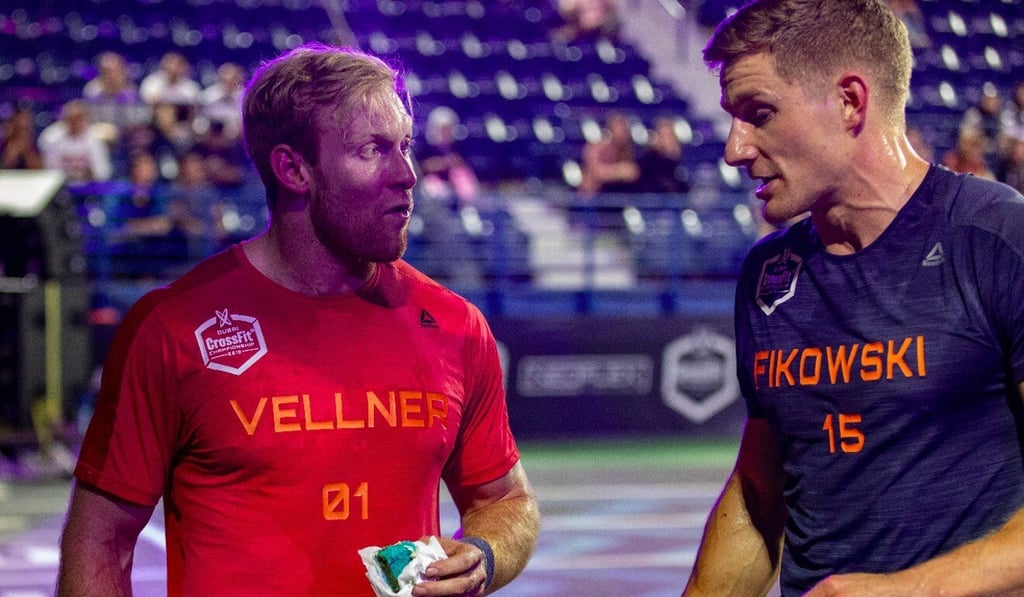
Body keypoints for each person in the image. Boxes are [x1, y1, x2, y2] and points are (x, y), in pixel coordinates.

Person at [57, 42, 540, 597]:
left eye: (404, 146)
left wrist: (483, 554)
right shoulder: (172, 329)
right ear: (292, 168)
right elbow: (101, 539)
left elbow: (505, 500)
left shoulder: (454, 324)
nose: (405, 175)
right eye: (372, 150)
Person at [683, 1, 1024, 596]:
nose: (735, 149)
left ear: (850, 101)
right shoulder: (768, 273)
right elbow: (762, 495)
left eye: (758, 113)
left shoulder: (997, 240)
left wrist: (904, 590)